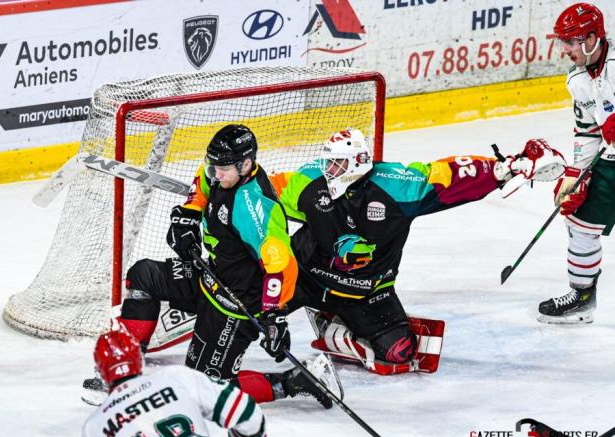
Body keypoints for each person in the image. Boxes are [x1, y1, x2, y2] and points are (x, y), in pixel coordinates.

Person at [269, 128, 566, 372]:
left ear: (358, 163)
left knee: (399, 352)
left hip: (367, 292)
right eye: (328, 163)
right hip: (304, 276)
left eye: (338, 165)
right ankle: (328, 315)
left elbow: (449, 175)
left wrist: (507, 167)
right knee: (244, 314)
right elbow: (262, 196)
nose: (329, 171)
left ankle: (334, 328)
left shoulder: (397, 186)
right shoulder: (309, 179)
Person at [116, 124, 336, 408]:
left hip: (236, 305)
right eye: (214, 166)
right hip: (211, 277)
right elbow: (202, 184)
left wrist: (274, 316)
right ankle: (125, 369)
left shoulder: (256, 209)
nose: (215, 174)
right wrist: (188, 214)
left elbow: (281, 266)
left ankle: (295, 381)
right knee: (144, 275)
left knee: (204, 392)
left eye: (223, 169)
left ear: (246, 164)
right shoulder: (221, 173)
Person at [537, 3, 615, 324]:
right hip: (610, 163)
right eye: (563, 43)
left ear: (593, 38)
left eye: (571, 42)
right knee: (579, 222)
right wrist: (576, 175)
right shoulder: (577, 79)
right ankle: (582, 297)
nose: (566, 50)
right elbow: (587, 132)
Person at [82, 327, 267, 437]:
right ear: (138, 358)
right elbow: (248, 414)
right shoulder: (176, 377)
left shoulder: (94, 427)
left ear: (101, 370)